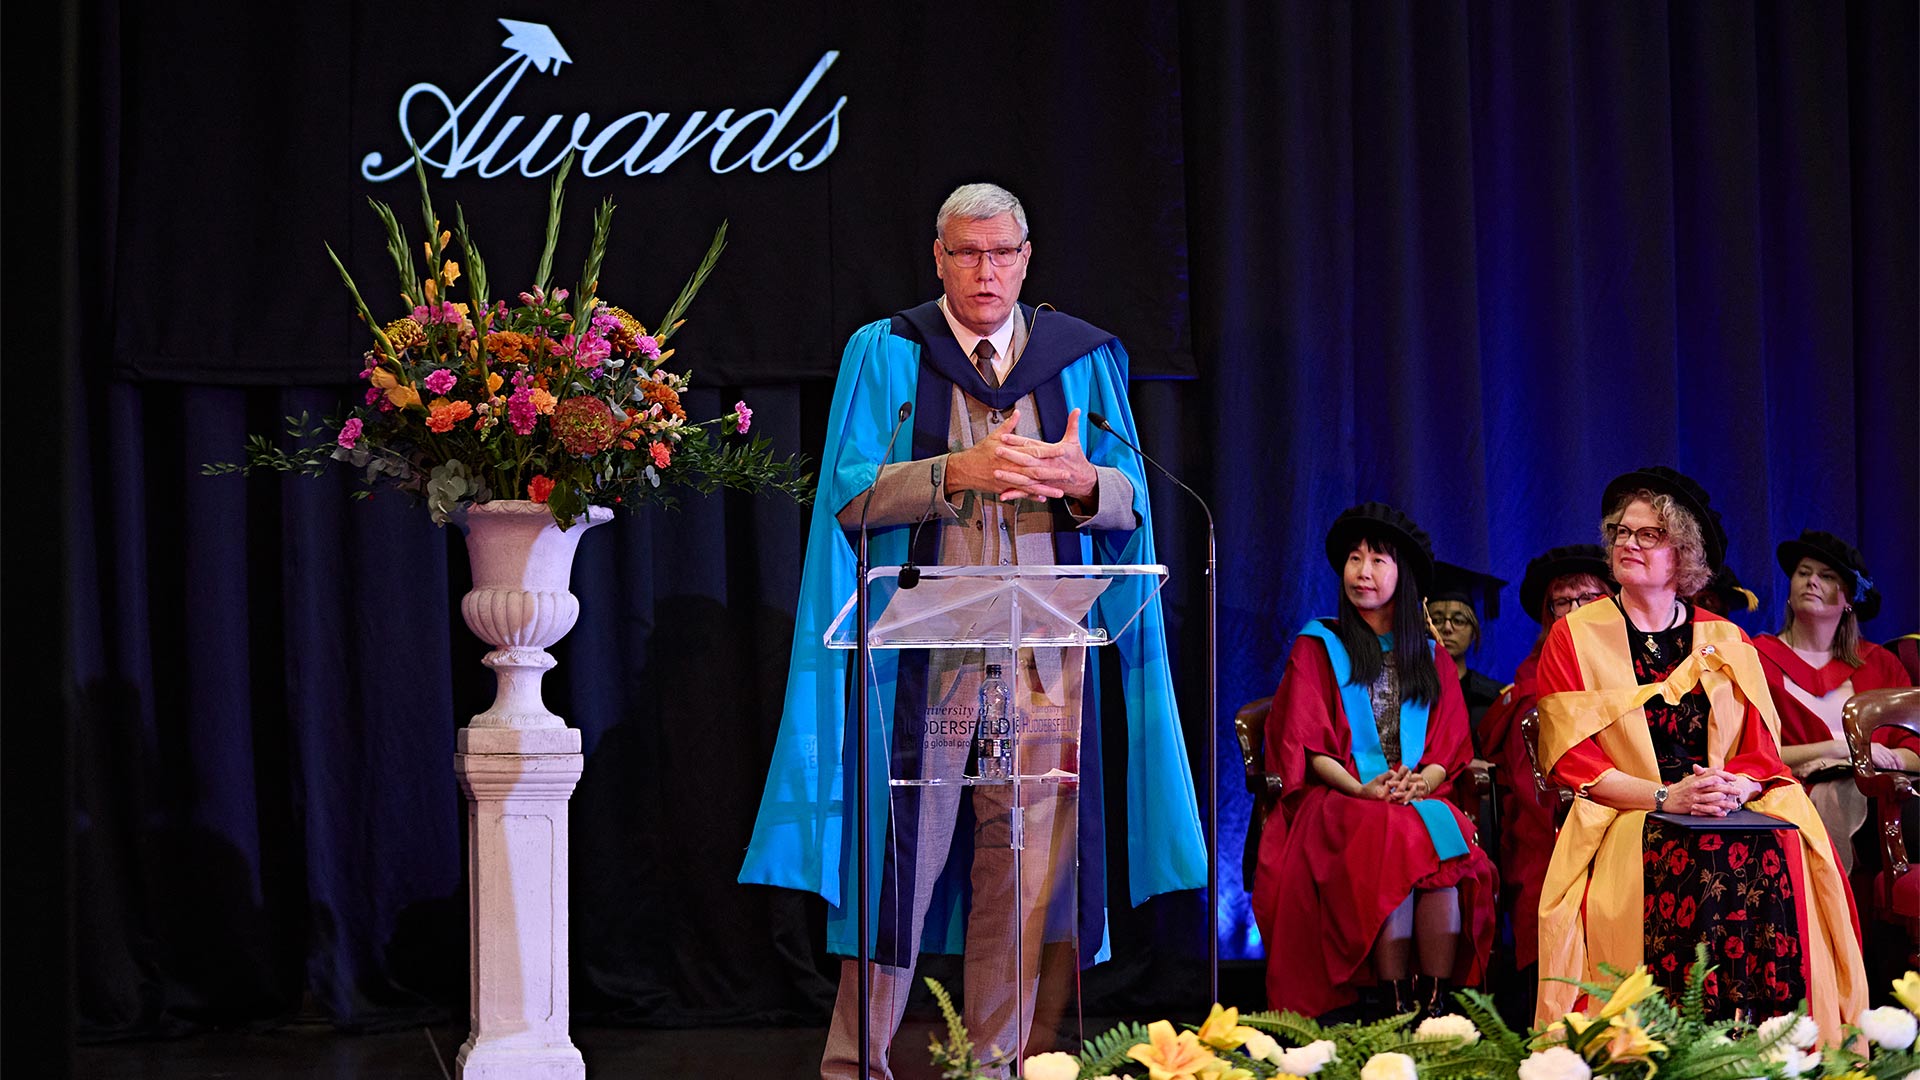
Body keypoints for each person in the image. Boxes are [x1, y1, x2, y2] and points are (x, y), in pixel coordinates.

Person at [738, 183, 1205, 1079]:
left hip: (1046, 662)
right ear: (938, 259)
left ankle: (992, 1068)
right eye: (966, 253)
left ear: (1027, 258)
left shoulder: (1084, 358)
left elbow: (1130, 499)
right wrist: (959, 469)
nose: (985, 270)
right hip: (924, 658)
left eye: (1001, 252)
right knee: (895, 872)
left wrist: (1079, 484)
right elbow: (849, 494)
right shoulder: (885, 352)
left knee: (1025, 878)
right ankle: (857, 1067)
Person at [1534, 467, 1866, 1038]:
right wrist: (1669, 795)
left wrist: (1739, 786)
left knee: (1778, 842)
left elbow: (1761, 753)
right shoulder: (1575, 636)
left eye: (1648, 535)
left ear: (1683, 555)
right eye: (1621, 532)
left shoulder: (1727, 640)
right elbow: (1573, 763)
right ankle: (1672, 1041)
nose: (1627, 544)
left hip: (1720, 802)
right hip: (1627, 814)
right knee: (1695, 849)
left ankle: (1769, 1039)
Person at [1251, 503, 1496, 1020]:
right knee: (1401, 835)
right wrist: (1362, 789)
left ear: (1403, 574)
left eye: (1378, 560)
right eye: (1355, 559)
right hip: (1340, 799)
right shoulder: (1318, 645)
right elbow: (1309, 748)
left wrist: (1420, 786)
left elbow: (1451, 751)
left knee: (1444, 838)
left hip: (1415, 796)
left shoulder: (1430, 657)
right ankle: (1394, 1005)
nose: (1363, 571)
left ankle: (1433, 1009)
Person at [1473, 544, 1613, 1017]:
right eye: (1563, 601)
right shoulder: (1531, 683)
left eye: (1589, 598)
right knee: (1546, 867)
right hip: (1551, 824)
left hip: (1632, 811)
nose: (1575, 611)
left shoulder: (1636, 669)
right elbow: (1532, 785)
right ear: (1546, 613)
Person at [1754, 530, 1914, 874]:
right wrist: (1839, 748)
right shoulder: (1756, 659)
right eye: (1803, 572)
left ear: (1849, 599)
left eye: (1826, 576)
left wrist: (1887, 759)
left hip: (1885, 799)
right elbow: (1752, 753)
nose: (1811, 581)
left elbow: (1914, 746)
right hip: (1790, 801)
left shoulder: (1881, 665)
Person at [1428, 562, 1507, 733]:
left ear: (1474, 632)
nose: (1447, 629)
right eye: (1437, 620)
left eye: (1459, 621)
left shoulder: (1493, 697)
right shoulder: (1412, 692)